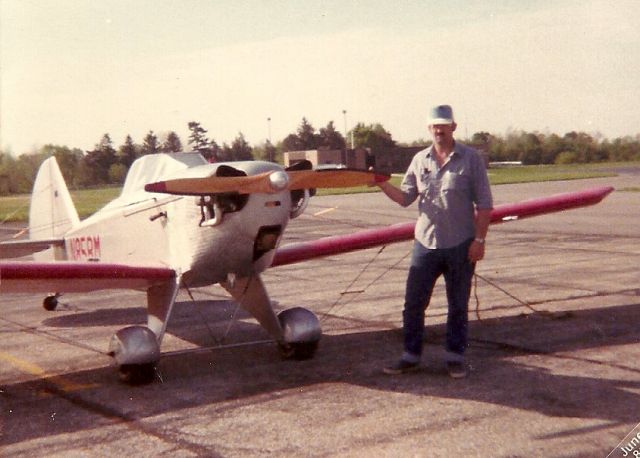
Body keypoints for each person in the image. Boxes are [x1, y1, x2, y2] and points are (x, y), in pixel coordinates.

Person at [377, 104, 493, 378]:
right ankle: (410, 355)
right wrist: (380, 183)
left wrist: (479, 240)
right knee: (413, 304)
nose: (439, 130)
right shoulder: (420, 160)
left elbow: (485, 204)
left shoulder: (471, 158)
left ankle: (455, 357)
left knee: (457, 305)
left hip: (460, 245)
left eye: (444, 125)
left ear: (453, 126)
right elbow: (405, 198)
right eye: (434, 126)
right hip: (425, 244)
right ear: (429, 128)